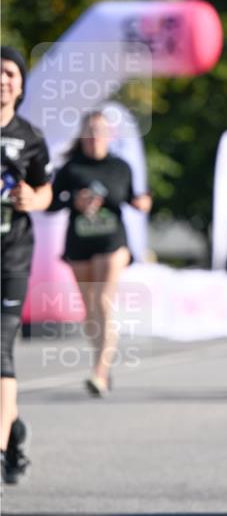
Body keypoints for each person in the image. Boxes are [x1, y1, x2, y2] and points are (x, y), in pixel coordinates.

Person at [49, 110, 151, 396]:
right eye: (90, 132)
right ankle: (101, 361)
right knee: (89, 306)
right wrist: (74, 200)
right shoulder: (70, 168)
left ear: (109, 136)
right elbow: (51, 203)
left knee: (103, 300)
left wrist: (144, 202)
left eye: (99, 131)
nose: (94, 137)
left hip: (111, 242)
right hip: (79, 243)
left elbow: (135, 197)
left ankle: (99, 372)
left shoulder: (120, 167)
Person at [1, 46, 53, 484]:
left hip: (12, 253)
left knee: (1, 346)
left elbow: (46, 191)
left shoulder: (30, 136)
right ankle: (13, 430)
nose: (2, 80)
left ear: (20, 85)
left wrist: (30, 199)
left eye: (10, 73)